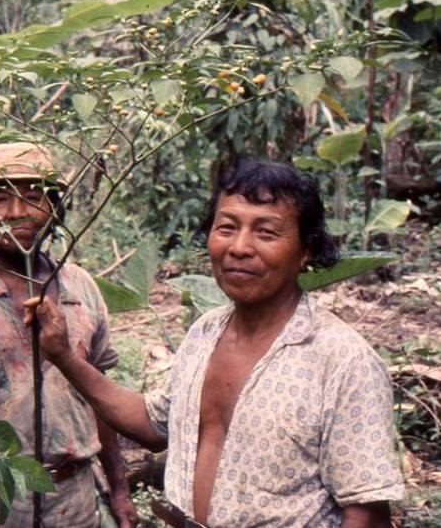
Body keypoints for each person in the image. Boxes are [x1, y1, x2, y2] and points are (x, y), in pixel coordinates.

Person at [27, 160, 405, 528]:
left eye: (266, 233)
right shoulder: (205, 332)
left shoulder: (341, 359)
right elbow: (152, 424)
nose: (239, 247)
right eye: (226, 228)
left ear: (306, 250)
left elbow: (366, 513)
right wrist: (63, 356)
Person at [0, 142, 139, 528]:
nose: (16, 213)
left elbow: (99, 396)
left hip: (73, 499)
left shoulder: (81, 289)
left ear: (54, 208)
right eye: (1, 200)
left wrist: (119, 488)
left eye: (33, 199)